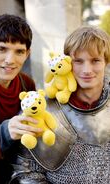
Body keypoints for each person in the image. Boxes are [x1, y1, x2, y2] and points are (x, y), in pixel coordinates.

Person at [9, 25, 110, 184]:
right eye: (78, 61)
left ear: (106, 61)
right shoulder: (41, 109)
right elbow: (26, 172)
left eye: (95, 60)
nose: (87, 70)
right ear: (67, 62)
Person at [0, 14, 42, 184]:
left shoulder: (27, 84)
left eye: (19, 51)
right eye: (2, 49)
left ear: (27, 54)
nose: (10, 60)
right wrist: (4, 133)